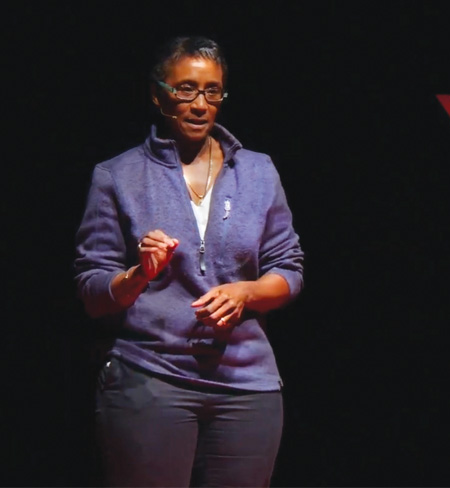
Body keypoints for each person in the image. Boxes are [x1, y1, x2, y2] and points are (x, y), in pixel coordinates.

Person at [74, 36, 303, 487]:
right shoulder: (118, 176)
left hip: (246, 383)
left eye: (212, 91)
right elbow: (92, 292)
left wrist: (247, 292)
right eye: (185, 89)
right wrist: (138, 275)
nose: (200, 104)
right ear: (158, 95)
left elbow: (289, 269)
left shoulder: (258, 171)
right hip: (151, 376)